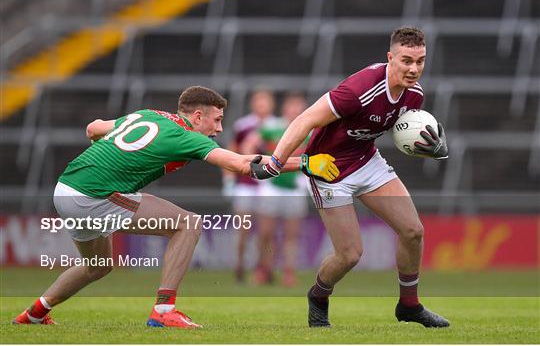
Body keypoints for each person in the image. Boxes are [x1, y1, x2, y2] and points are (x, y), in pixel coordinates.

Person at [13, 86, 339, 328]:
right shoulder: (187, 137)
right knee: (189, 224)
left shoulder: (149, 115)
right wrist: (306, 162)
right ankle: (164, 311)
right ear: (197, 116)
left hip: (66, 187)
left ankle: (35, 314)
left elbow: (94, 128)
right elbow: (245, 165)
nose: (219, 129)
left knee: (97, 266)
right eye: (217, 120)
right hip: (92, 194)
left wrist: (110, 158)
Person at [250, 27, 450, 328]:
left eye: (420, 61)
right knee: (350, 255)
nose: (414, 69)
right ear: (390, 58)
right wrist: (277, 161)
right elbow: (304, 120)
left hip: (367, 160)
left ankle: (409, 305)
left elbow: (400, 132)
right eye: (406, 60)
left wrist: (425, 145)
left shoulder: (415, 95)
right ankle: (318, 295)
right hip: (327, 168)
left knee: (413, 231)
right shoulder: (360, 88)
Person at [243, 92, 309, 286]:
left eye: (299, 108)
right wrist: (254, 169)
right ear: (285, 109)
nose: (295, 111)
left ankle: (289, 272)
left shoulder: (309, 131)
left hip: (295, 189)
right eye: (292, 107)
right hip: (271, 187)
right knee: (265, 233)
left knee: (291, 234)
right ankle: (264, 269)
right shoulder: (272, 127)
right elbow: (249, 144)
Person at [222, 87, 278, 283]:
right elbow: (232, 152)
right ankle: (239, 265)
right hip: (246, 185)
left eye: (266, 101)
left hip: (270, 185)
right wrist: (229, 180)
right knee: (243, 230)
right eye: (259, 101)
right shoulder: (243, 125)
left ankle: (264, 268)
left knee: (266, 232)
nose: (262, 105)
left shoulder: (278, 126)